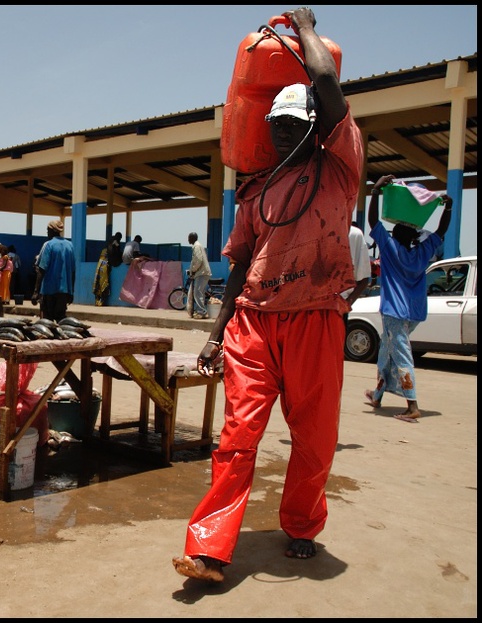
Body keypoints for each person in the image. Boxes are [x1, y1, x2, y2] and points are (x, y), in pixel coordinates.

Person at [172, 7, 364, 584]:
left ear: (314, 129)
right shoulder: (254, 192)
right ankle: (208, 547)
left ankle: (302, 524)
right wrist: (213, 334)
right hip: (253, 324)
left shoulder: (339, 168)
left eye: (294, 126)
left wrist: (305, 28)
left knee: (313, 440)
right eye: (276, 127)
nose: (283, 134)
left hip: (315, 318)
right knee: (236, 439)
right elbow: (235, 271)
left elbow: (327, 87)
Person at [364, 174, 452, 423]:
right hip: (414, 312)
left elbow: (373, 222)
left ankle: (412, 405)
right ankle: (378, 395)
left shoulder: (390, 249)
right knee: (386, 351)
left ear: (396, 235)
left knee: (401, 355)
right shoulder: (423, 251)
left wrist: (376, 191)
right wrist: (449, 207)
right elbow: (441, 230)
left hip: (394, 312)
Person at [31, 219, 75, 321]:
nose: (47, 232)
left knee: (47, 321)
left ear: (52, 230)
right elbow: (73, 272)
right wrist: (71, 292)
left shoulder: (49, 245)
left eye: (48, 230)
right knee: (61, 320)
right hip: (64, 291)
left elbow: (41, 269)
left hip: (48, 290)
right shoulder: (70, 246)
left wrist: (36, 292)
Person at [341, 223, 372, 324]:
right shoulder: (313, 231)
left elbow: (364, 279)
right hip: (312, 309)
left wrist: (347, 304)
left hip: (338, 309)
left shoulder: (355, 234)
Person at [186, 232, 212, 319]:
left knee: (197, 293)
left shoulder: (196, 246)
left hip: (201, 273)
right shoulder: (198, 246)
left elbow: (198, 260)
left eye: (189, 238)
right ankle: (200, 311)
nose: (188, 239)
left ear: (193, 238)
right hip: (203, 272)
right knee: (200, 293)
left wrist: (193, 270)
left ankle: (202, 312)